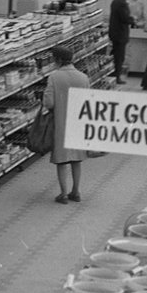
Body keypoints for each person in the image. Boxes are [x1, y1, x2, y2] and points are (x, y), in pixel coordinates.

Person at [43, 46, 89, 204]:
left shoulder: (54, 77)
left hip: (61, 122)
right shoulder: (83, 77)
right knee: (77, 159)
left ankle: (63, 193)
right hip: (78, 123)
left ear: (58, 60)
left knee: (62, 160)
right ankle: (76, 191)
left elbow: (49, 103)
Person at [109, 0, 135, 84]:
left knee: (115, 55)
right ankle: (117, 77)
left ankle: (112, 73)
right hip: (120, 34)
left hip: (115, 33)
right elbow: (125, 19)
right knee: (119, 57)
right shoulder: (122, 3)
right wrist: (133, 20)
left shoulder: (116, 1)